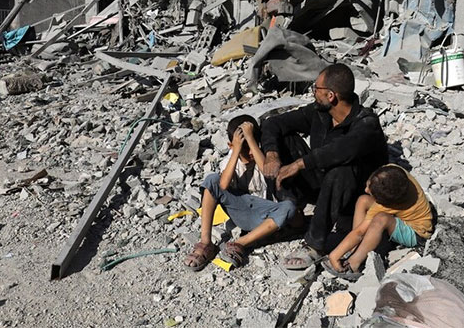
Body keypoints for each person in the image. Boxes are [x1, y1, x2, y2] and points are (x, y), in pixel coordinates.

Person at [260, 63, 388, 269]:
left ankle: (314, 245)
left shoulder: (366, 123)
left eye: (316, 89)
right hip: (322, 183)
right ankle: (293, 212)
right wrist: (272, 155)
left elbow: (341, 150)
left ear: (331, 96)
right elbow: (273, 122)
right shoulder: (321, 113)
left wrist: (299, 165)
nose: (313, 93)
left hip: (354, 194)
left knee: (341, 170)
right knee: (284, 137)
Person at [183, 115, 296, 271]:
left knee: (289, 207)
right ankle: (205, 242)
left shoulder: (262, 157)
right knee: (212, 179)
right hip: (241, 211)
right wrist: (236, 150)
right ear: (232, 146)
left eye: (253, 146)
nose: (250, 152)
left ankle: (240, 243)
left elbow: (266, 169)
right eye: (245, 148)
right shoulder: (230, 161)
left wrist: (250, 139)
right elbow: (222, 184)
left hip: (265, 217)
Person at [323, 164, 433, 280]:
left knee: (380, 219)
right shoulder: (395, 171)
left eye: (371, 193)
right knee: (363, 200)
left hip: (417, 233)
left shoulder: (385, 207)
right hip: (404, 214)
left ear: (384, 203)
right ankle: (354, 248)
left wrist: (334, 255)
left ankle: (354, 263)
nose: (366, 189)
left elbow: (359, 232)